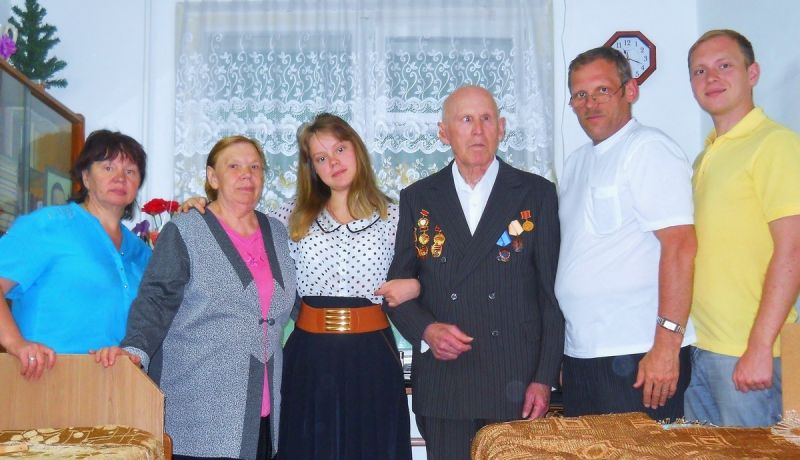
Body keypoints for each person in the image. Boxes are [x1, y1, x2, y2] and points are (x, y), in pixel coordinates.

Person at [384, 85, 564, 460]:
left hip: (515, 381)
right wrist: (427, 331)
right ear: (444, 132)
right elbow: (397, 292)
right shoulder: (419, 197)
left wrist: (544, 378)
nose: (478, 130)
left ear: (501, 127)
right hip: (445, 382)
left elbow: (550, 296)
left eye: (486, 119)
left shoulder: (535, 193)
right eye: (466, 119)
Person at [95, 136, 297, 459]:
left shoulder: (278, 232)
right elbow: (156, 299)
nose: (246, 175)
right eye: (234, 166)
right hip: (197, 412)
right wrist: (135, 350)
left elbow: (298, 300)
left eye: (255, 167)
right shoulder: (186, 230)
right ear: (213, 177)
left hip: (263, 412)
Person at [556, 47, 696, 420]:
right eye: (580, 95)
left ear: (630, 90)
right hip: (584, 356)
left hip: (639, 355)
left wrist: (666, 346)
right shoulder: (576, 163)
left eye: (602, 90)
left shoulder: (648, 149)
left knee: (642, 449)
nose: (590, 103)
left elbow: (681, 247)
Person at [685, 29, 800, 427]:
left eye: (724, 65)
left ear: (753, 74)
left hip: (750, 356)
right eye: (700, 70)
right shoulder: (705, 157)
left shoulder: (776, 144)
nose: (711, 77)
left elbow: (793, 249)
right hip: (704, 348)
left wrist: (760, 346)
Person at [0, 129, 150, 380]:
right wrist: (15, 343)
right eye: (108, 167)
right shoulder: (47, 225)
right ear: (86, 177)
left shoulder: (142, 252)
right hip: (43, 381)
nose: (120, 178)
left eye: (130, 171)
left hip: (116, 388)